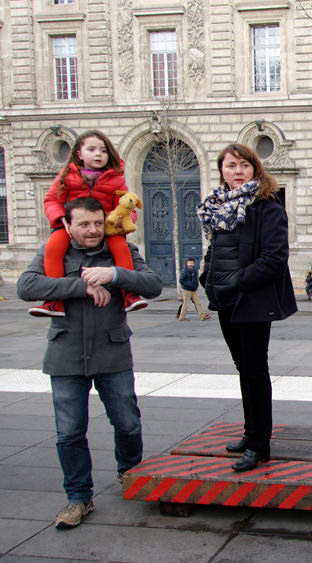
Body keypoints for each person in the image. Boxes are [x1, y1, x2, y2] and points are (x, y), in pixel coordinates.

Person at [16, 197, 163, 529]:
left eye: (98, 222)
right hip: (65, 354)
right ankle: (78, 497)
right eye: (83, 224)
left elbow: (153, 285)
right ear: (67, 226)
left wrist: (112, 274)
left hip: (112, 351)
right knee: (69, 432)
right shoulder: (52, 252)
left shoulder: (120, 250)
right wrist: (82, 285)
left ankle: (130, 474)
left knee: (127, 423)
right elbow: (26, 286)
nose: (93, 230)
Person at [197, 143, 297, 472]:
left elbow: (274, 258)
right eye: (230, 166)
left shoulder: (266, 206)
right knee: (243, 369)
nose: (237, 172)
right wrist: (207, 275)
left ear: (255, 169)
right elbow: (217, 248)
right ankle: (250, 432)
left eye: (243, 165)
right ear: (221, 171)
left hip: (251, 299)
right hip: (226, 298)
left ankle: (259, 445)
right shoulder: (219, 205)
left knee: (255, 371)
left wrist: (238, 281)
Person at [30, 130, 147, 317]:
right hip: (72, 225)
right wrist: (61, 219)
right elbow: (51, 200)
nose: (98, 154)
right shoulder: (68, 174)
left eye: (103, 150)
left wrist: (122, 221)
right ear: (79, 153)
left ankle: (129, 295)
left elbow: (127, 205)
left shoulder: (115, 177)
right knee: (53, 247)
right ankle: (54, 301)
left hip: (106, 226)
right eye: (91, 149)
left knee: (121, 248)